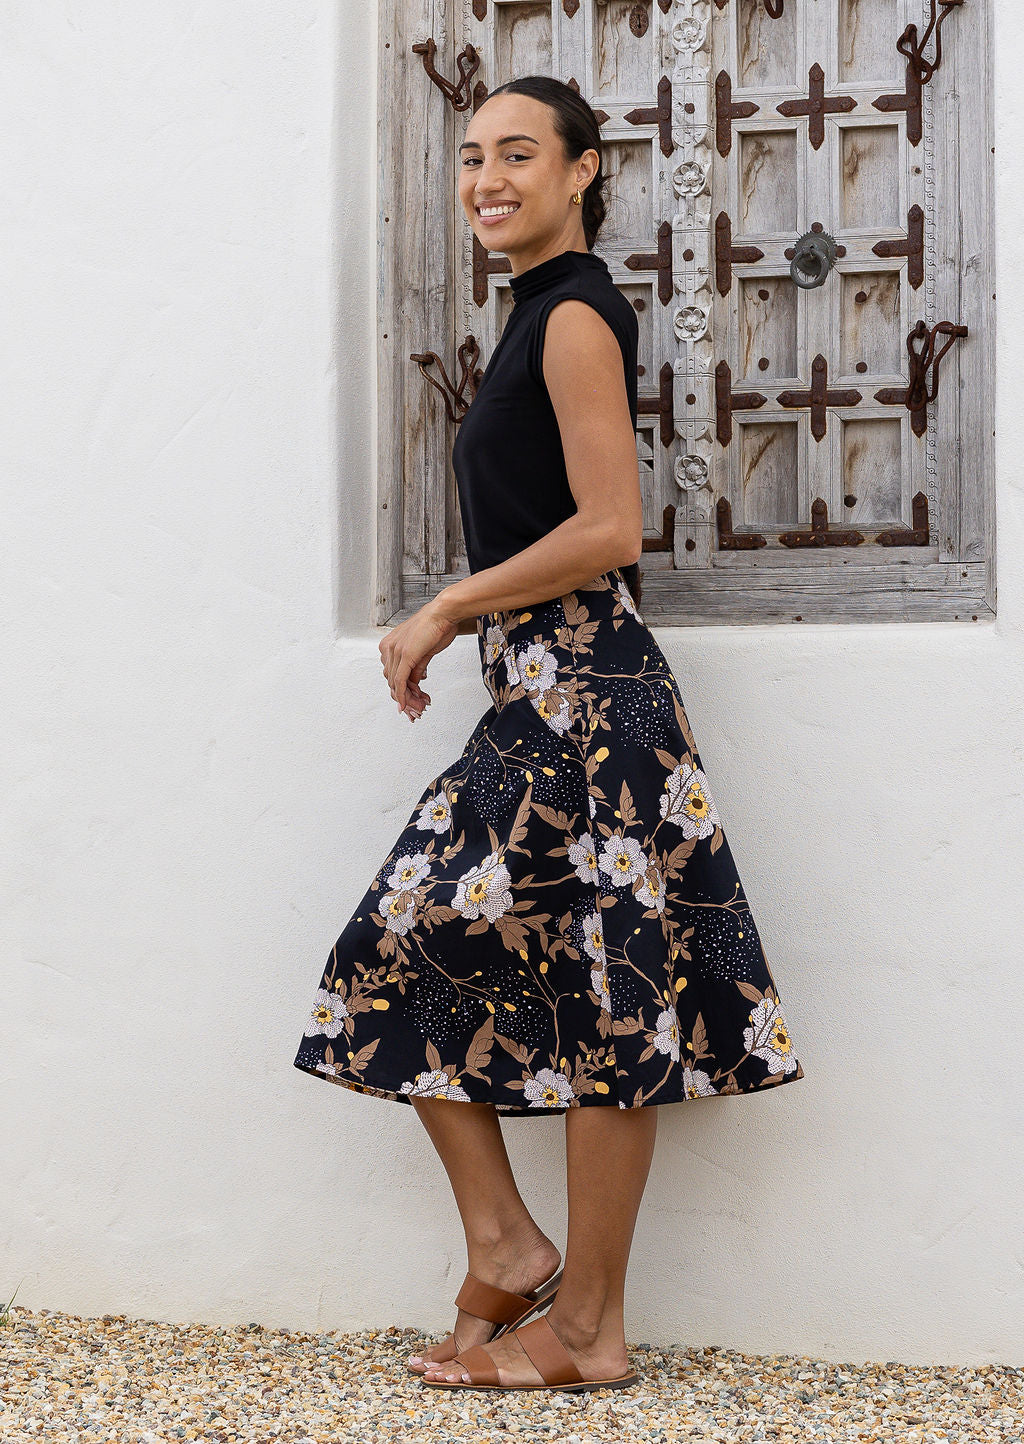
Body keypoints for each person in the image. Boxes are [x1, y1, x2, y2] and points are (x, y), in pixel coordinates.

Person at [293, 75, 805, 1395]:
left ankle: (584, 1324)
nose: (487, 178)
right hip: (544, 690)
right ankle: (513, 1250)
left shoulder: (574, 313)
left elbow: (611, 530)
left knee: (603, 998)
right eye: (473, 157)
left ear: (585, 170)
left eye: (519, 153)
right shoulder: (532, 314)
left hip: (586, 687)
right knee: (407, 953)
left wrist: (447, 603)